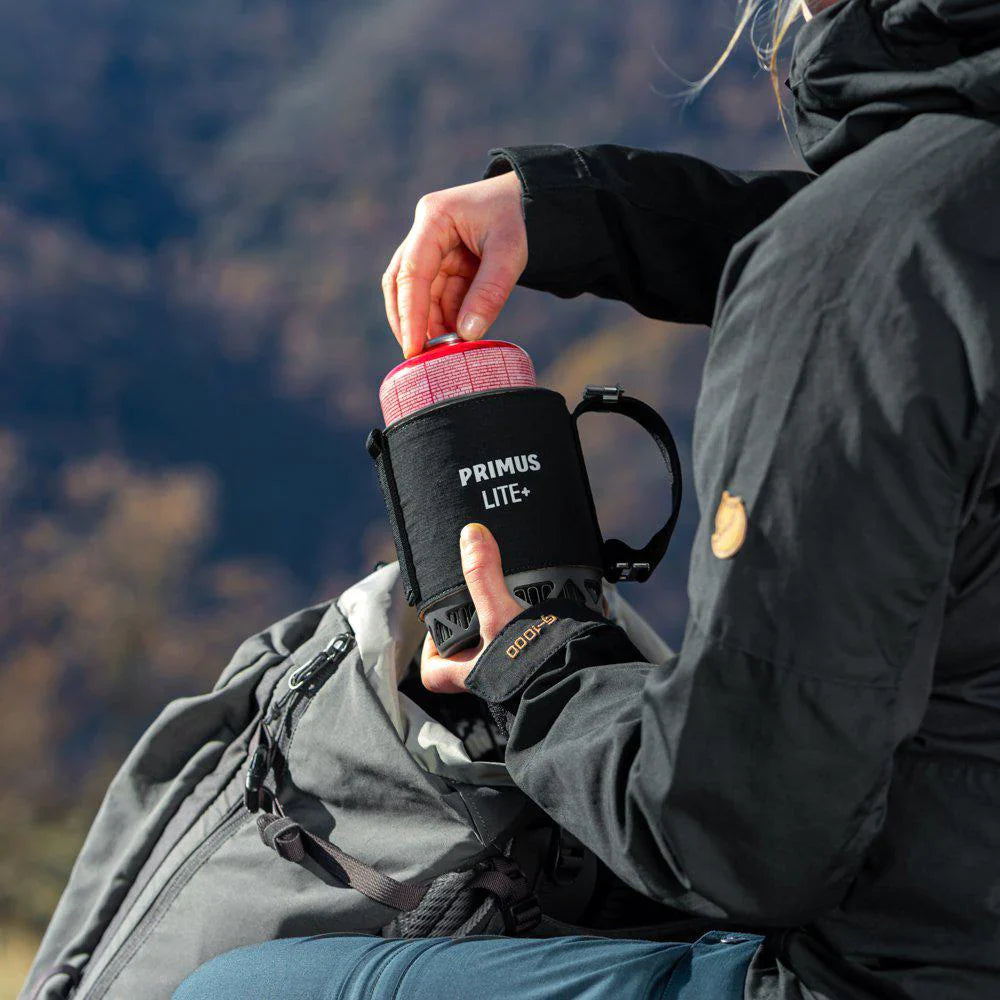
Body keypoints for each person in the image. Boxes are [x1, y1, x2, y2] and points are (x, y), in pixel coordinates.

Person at [176, 0, 1000, 997]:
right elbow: (935, 245)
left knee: (232, 988)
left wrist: (531, 668)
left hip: (894, 971)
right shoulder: (926, 228)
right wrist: (583, 209)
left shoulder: (857, 275)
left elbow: (749, 830)